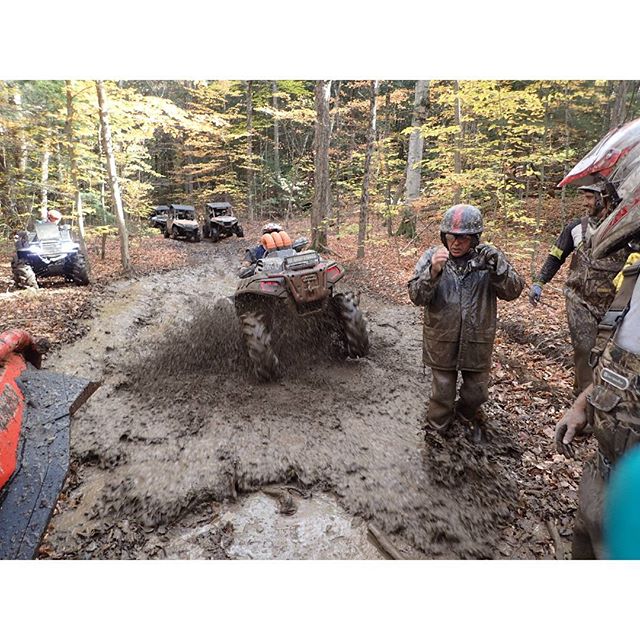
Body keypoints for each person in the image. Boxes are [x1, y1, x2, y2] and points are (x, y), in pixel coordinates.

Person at [554, 115, 640, 559]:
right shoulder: (633, 277)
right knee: (585, 355)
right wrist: (584, 403)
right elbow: (618, 360)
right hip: (602, 469)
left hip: (632, 498)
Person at [407, 204, 524, 443]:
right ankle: (436, 437)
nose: (456, 243)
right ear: (444, 236)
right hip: (441, 338)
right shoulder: (432, 256)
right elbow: (416, 296)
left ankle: (464, 417)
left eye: (463, 238)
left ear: (475, 238)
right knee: (442, 393)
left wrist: (498, 268)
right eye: (451, 237)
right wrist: (433, 272)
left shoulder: (489, 259)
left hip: (477, 338)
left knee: (477, 392)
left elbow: (513, 291)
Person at [529, 183, 631, 396]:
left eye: (588, 197)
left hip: (616, 304)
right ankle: (583, 404)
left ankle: (606, 396)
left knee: (612, 353)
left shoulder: (626, 229)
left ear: (604, 197)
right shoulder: (575, 228)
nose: (584, 202)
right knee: (585, 348)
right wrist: (540, 282)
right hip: (578, 300)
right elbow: (556, 256)